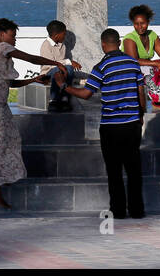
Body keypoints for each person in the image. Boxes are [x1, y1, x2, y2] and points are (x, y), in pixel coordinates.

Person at [55, 28, 147, 219]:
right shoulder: (133, 63)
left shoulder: (101, 68)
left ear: (103, 44)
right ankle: (137, 210)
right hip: (132, 123)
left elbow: (87, 94)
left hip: (111, 126)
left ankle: (119, 210)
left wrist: (65, 86)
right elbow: (140, 92)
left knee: (114, 170)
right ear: (119, 43)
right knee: (133, 168)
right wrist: (141, 114)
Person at [0, 17, 68, 209]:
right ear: (2, 35)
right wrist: (56, 63)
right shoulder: (2, 48)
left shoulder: (3, 55)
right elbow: (31, 58)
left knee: (11, 139)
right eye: (12, 35)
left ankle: (0, 175)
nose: (14, 39)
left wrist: (33, 80)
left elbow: (10, 83)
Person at [121, 4, 160, 108]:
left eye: (142, 23)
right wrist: (156, 63)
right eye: (136, 24)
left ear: (148, 22)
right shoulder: (129, 39)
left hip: (147, 67)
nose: (139, 27)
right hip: (131, 70)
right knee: (151, 70)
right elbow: (134, 61)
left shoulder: (152, 35)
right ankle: (156, 100)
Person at [39, 20, 82, 112]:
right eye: (64, 34)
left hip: (61, 70)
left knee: (69, 69)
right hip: (48, 72)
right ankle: (53, 100)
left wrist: (68, 63)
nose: (65, 36)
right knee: (57, 71)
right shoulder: (46, 45)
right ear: (56, 35)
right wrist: (68, 62)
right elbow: (50, 63)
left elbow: (62, 62)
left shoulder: (62, 46)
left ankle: (65, 98)